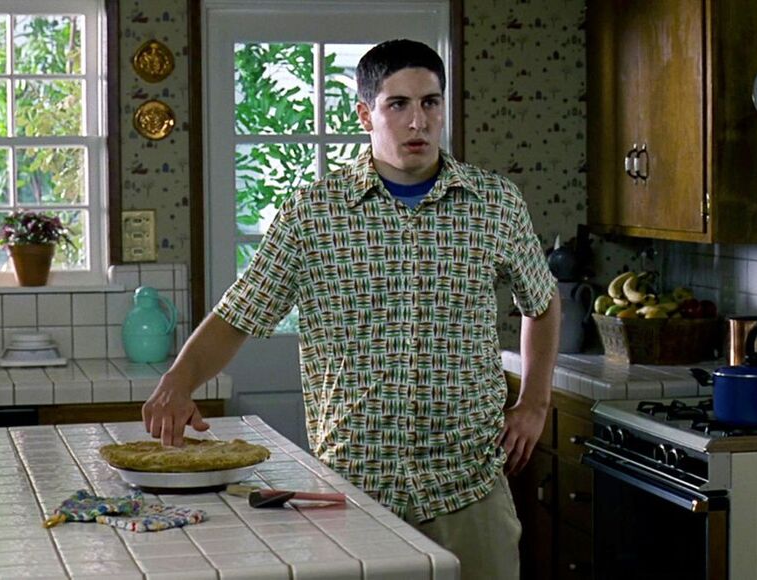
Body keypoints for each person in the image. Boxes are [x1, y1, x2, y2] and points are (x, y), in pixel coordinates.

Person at [142, 38, 560, 579]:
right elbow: (238, 314)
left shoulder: (495, 202)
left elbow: (543, 304)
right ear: (365, 114)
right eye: (399, 105)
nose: (418, 122)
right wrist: (178, 381)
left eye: (431, 103)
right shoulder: (314, 213)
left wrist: (535, 401)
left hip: (469, 487)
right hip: (354, 490)